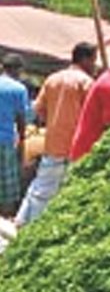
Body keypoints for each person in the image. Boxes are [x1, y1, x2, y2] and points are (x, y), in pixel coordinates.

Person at [15, 42, 98, 225]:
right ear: (85, 59)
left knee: (41, 187)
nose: (94, 65)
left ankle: (23, 220)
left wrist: (54, 122)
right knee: (68, 190)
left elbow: (39, 110)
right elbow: (91, 114)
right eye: (93, 60)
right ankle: (36, 227)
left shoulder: (53, 79)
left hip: (53, 143)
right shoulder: (86, 83)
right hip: (75, 145)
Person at [0, 54, 30, 218]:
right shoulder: (18, 89)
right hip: (4, 141)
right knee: (7, 190)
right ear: (17, 70)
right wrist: (22, 139)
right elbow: (21, 118)